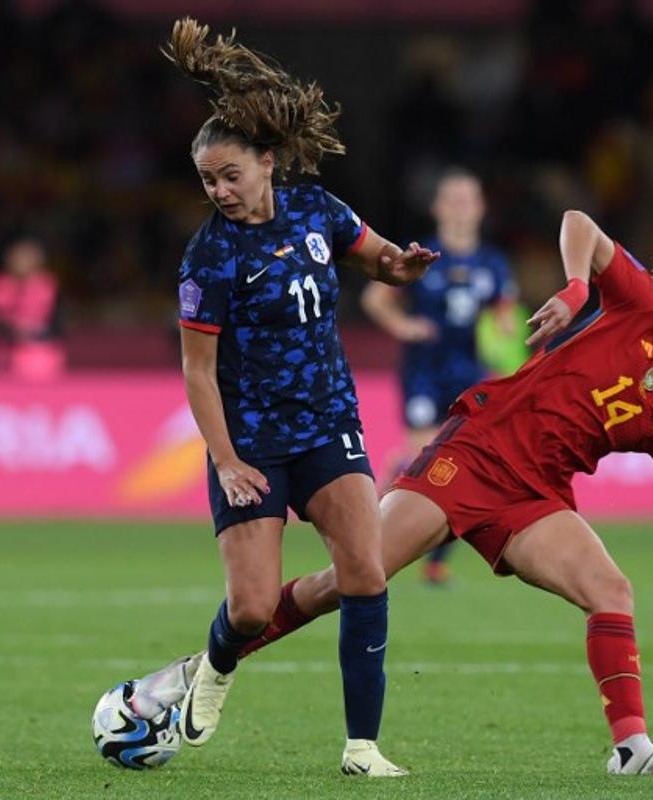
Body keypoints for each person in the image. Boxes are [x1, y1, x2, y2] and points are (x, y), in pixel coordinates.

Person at [225, 211, 653, 776]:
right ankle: (206, 664)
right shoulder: (644, 312)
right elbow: (579, 222)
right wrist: (579, 287)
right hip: (473, 455)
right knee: (347, 582)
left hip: (532, 498)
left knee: (610, 590)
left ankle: (632, 748)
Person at [164, 18, 438, 777]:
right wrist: (225, 461)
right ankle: (215, 667)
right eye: (208, 181)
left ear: (267, 162)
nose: (220, 191)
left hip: (327, 425)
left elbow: (377, 258)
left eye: (230, 175)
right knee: (253, 608)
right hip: (252, 440)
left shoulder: (318, 209)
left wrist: (402, 266)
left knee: (365, 575)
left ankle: (362, 748)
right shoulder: (209, 257)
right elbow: (197, 371)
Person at [361, 167, 517, 584]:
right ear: (438, 208)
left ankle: (435, 561)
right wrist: (404, 327)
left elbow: (506, 318)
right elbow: (375, 298)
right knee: (423, 459)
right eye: (453, 200)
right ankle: (368, 524)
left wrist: (506, 339)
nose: (461, 208)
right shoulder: (424, 256)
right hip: (424, 372)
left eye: (468, 200)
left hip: (468, 374)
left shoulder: (493, 263)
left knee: (458, 466)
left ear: (481, 207)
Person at [0, 236, 65, 380]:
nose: (21, 262)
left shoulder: (48, 286)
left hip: (38, 356)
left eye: (27, 257)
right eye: (17, 257)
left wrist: (30, 331)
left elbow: (57, 327)